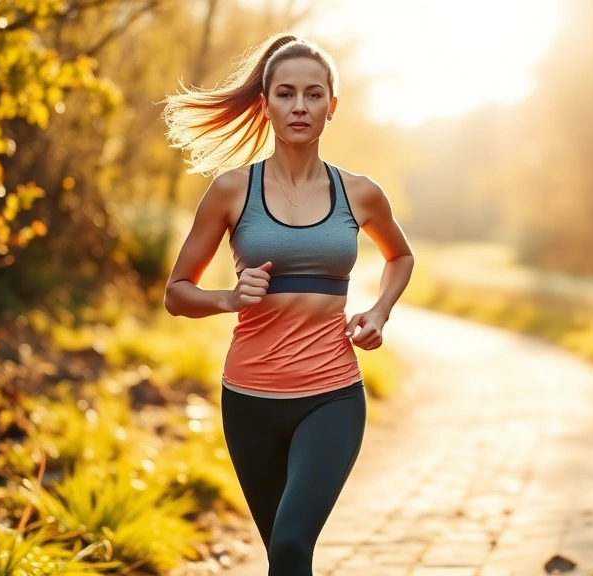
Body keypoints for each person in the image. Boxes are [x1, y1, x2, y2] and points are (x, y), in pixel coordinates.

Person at [160, 32, 415, 576]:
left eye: (314, 94)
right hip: (249, 401)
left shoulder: (360, 193)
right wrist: (228, 297)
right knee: (282, 553)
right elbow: (176, 292)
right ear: (265, 104)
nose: (300, 105)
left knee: (293, 543)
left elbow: (400, 258)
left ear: (332, 107)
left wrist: (378, 311)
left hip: (331, 397)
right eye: (286, 93)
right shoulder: (232, 191)